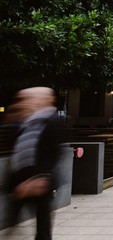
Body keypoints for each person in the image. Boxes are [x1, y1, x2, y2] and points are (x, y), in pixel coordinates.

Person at [5, 87, 65, 240]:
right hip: (20, 181)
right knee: (11, 221)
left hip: (41, 182)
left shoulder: (53, 121)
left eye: (29, 98)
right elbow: (17, 150)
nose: (24, 102)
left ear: (45, 100)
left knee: (42, 225)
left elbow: (55, 152)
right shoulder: (25, 121)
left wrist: (43, 177)